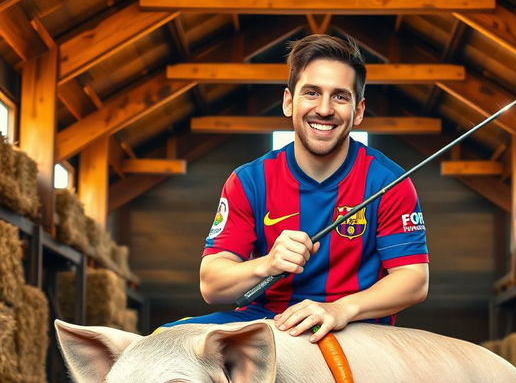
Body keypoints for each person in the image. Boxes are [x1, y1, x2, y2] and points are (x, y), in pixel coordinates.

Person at [161, 34, 429, 342]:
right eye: (312, 93)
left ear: (358, 111)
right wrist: (268, 263)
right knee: (165, 340)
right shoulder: (249, 181)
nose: (325, 109)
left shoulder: (389, 181)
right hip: (268, 320)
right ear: (289, 102)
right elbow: (212, 285)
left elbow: (413, 279)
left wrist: (342, 309)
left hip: (356, 326)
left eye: (340, 96)